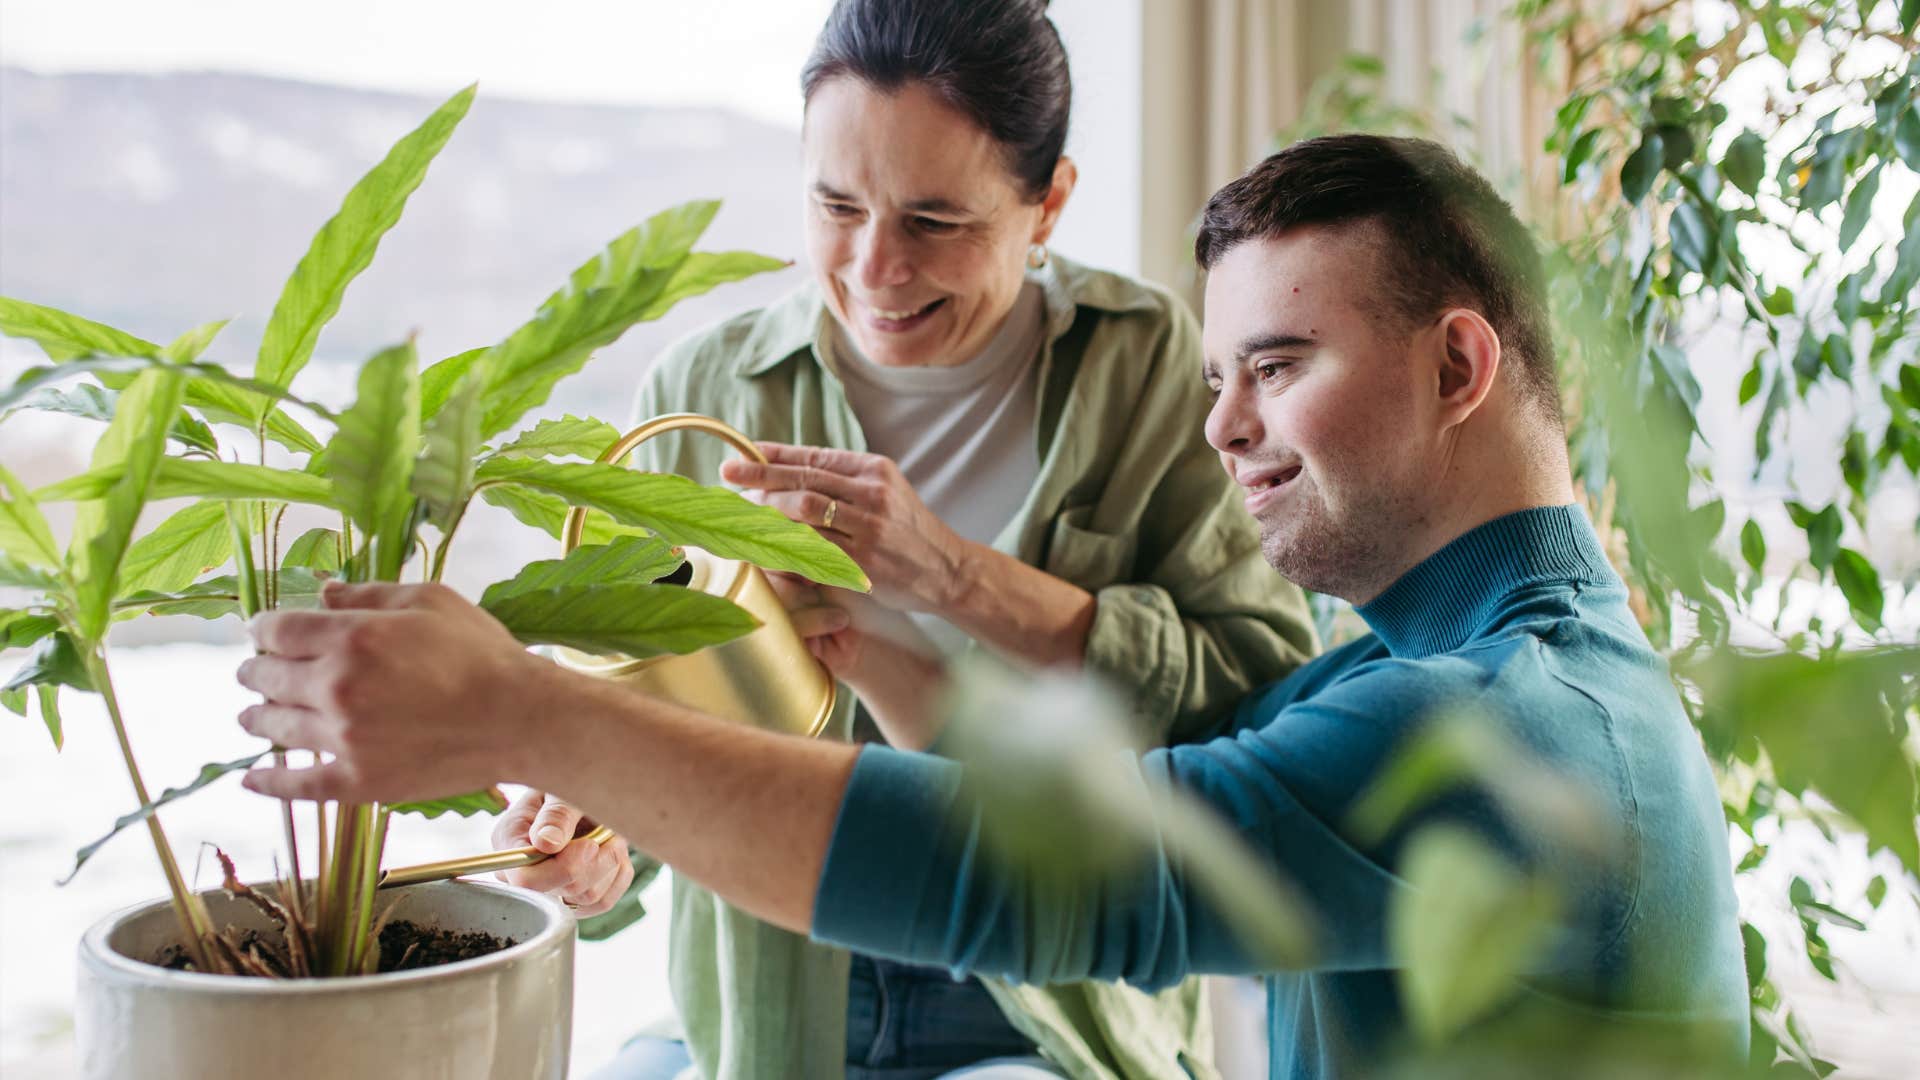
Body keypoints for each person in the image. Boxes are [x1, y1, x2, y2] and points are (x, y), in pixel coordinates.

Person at [236, 134, 1751, 1078]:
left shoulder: (1500, 726)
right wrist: (866, 645)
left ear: (1458, 368)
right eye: (1220, 377)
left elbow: (1068, 879)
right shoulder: (1453, 664)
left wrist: (528, 706)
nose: (1224, 428)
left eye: (1277, 368)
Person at [488, 0, 1318, 1077]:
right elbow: (641, 742)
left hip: (1042, 998)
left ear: (1048, 205)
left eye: (934, 222)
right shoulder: (697, 394)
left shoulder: (1150, 366)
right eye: (837, 204)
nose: (876, 268)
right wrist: (596, 851)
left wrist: (958, 576)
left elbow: (1261, 707)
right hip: (769, 998)